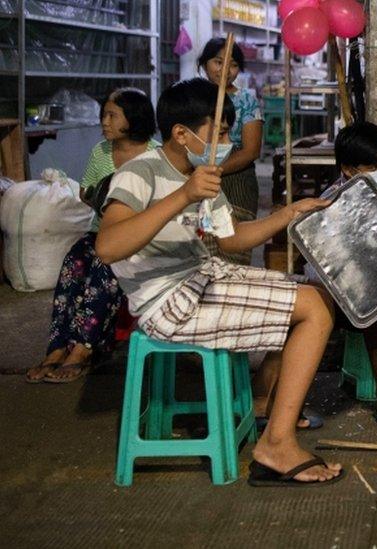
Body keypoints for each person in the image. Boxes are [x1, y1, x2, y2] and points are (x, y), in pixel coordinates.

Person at [96, 78, 341, 486]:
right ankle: (276, 444)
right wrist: (184, 196)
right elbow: (107, 247)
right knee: (312, 310)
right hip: (167, 303)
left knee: (318, 294)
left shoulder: (201, 174)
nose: (228, 141)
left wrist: (289, 213)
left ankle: (265, 402)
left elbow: (230, 238)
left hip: (203, 277)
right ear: (180, 134)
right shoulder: (141, 173)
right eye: (221, 132)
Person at [251, 121, 377, 437]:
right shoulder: (332, 202)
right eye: (372, 167)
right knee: (350, 316)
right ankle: (268, 401)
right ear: (348, 170)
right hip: (334, 284)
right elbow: (329, 259)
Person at [26, 88, 159, 384]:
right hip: (102, 230)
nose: (104, 122)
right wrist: (102, 197)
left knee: (104, 265)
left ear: (134, 119)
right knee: (73, 262)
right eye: (104, 115)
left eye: (112, 116)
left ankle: (82, 349)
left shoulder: (154, 155)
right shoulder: (101, 151)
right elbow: (86, 191)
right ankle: (57, 346)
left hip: (140, 239)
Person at [198, 38, 264, 265]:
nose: (225, 69)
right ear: (204, 63)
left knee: (232, 252)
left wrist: (213, 171)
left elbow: (251, 151)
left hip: (236, 179)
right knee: (198, 250)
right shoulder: (192, 96)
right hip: (196, 177)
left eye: (233, 65)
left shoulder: (246, 100)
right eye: (218, 62)